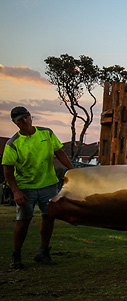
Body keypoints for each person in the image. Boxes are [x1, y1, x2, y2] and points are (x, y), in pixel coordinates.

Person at [2, 106, 74, 269]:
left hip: (48, 185)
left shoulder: (46, 133)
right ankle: (16, 256)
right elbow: (7, 170)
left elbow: (60, 152)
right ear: (15, 123)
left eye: (26, 117)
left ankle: (43, 252)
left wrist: (72, 169)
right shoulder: (13, 144)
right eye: (20, 119)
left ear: (30, 117)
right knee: (23, 221)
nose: (24, 121)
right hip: (26, 188)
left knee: (48, 218)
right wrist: (15, 191)